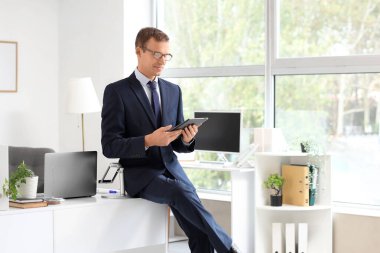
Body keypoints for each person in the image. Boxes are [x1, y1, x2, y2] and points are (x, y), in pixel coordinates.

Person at [101, 27, 241, 253]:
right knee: (181, 193)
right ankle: (230, 249)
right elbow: (109, 145)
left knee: (199, 232)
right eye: (157, 54)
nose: (162, 60)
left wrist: (186, 139)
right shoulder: (117, 92)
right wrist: (148, 140)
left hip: (172, 170)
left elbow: (176, 144)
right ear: (139, 51)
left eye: (166, 55)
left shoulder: (173, 91)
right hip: (140, 174)